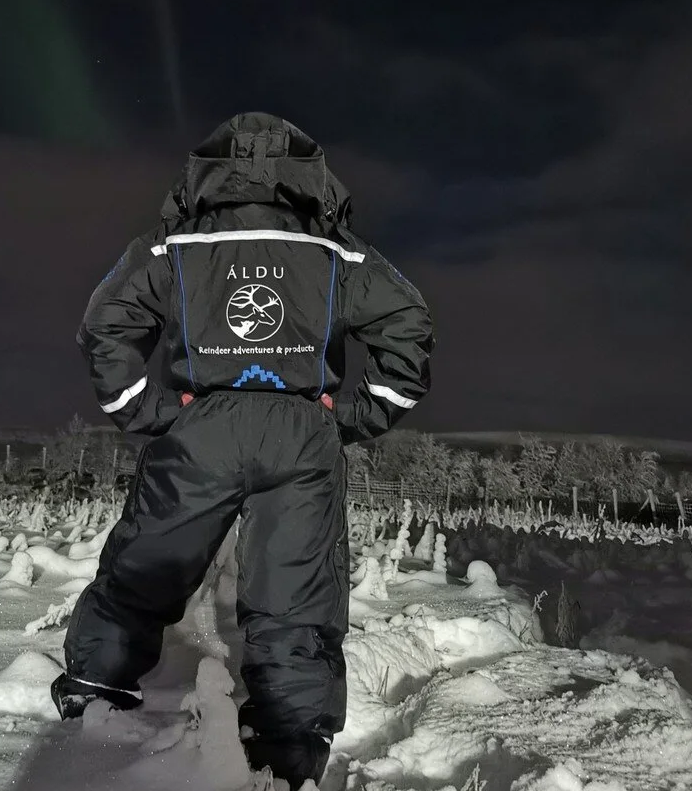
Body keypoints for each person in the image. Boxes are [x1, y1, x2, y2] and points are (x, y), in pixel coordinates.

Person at [51, 112, 434, 788]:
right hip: (300, 433)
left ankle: (94, 686)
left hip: (201, 428)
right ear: (308, 175)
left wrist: (150, 410)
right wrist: (353, 414)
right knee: (296, 591)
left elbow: (104, 321)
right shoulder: (336, 251)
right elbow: (409, 323)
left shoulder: (174, 245)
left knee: (148, 564)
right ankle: (289, 744)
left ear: (209, 171)